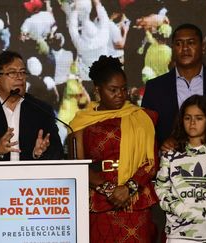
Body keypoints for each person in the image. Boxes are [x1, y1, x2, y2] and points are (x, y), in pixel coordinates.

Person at [141, 23, 206, 242]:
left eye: (191, 43)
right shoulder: (155, 87)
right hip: (175, 188)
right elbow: (146, 133)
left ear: (203, 46)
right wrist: (162, 144)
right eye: (179, 44)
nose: (185, 49)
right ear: (172, 48)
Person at [69, 55, 158, 242]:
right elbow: (78, 167)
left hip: (135, 202)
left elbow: (151, 162)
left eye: (123, 89)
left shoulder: (141, 117)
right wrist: (109, 190)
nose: (120, 95)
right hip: (101, 202)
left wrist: (128, 188)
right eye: (113, 90)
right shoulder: (80, 123)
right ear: (97, 90)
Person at [155, 95, 206, 242]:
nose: (192, 123)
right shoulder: (171, 154)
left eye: (199, 118)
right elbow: (161, 187)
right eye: (187, 118)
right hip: (178, 234)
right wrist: (180, 209)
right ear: (181, 120)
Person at [0, 50, 63, 161]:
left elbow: (58, 152)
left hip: (31, 176)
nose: (19, 77)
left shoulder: (42, 110)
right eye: (12, 73)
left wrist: (38, 154)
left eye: (23, 72)